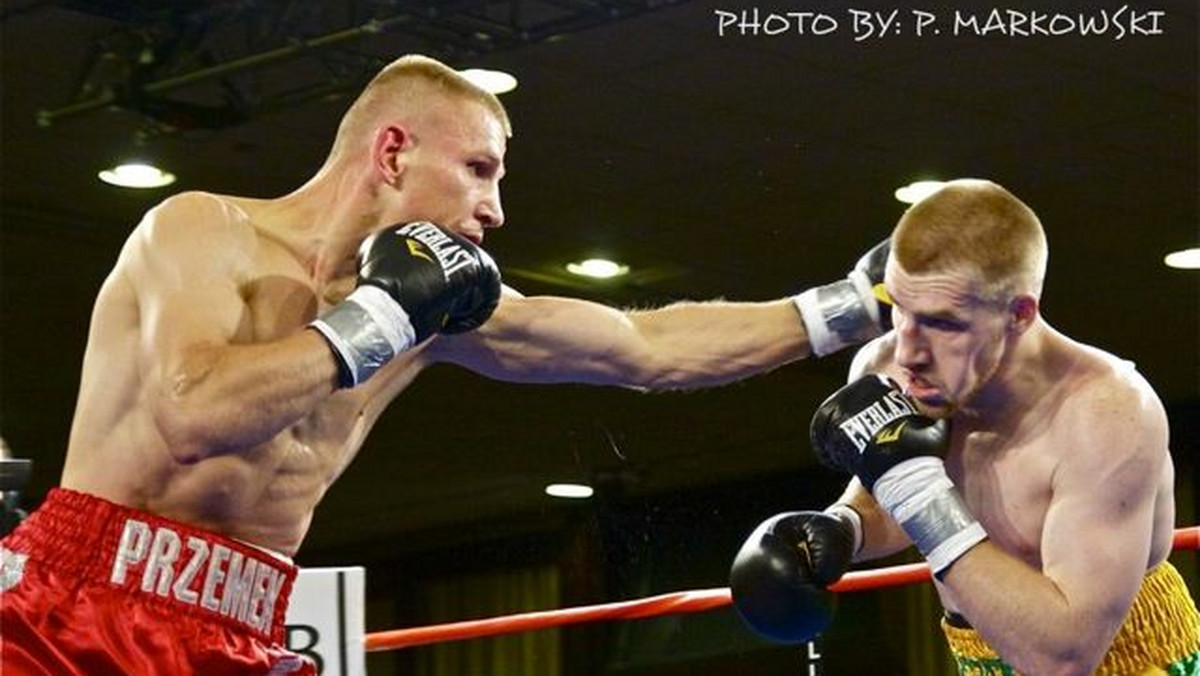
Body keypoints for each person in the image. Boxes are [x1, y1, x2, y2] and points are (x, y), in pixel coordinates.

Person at [0, 54, 890, 675]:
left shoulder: (439, 312)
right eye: (477, 170)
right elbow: (194, 418)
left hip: (240, 628)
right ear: (391, 152)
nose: (494, 209)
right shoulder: (202, 231)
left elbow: (646, 347)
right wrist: (380, 318)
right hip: (72, 612)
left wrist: (851, 306)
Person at [731, 179, 1200, 675]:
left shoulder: (1107, 415)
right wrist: (846, 526)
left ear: (1018, 315)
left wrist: (916, 491)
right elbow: (901, 489)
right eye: (900, 311)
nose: (908, 351)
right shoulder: (889, 365)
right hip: (974, 654)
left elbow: (1062, 658)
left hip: (1121, 660)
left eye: (943, 323)